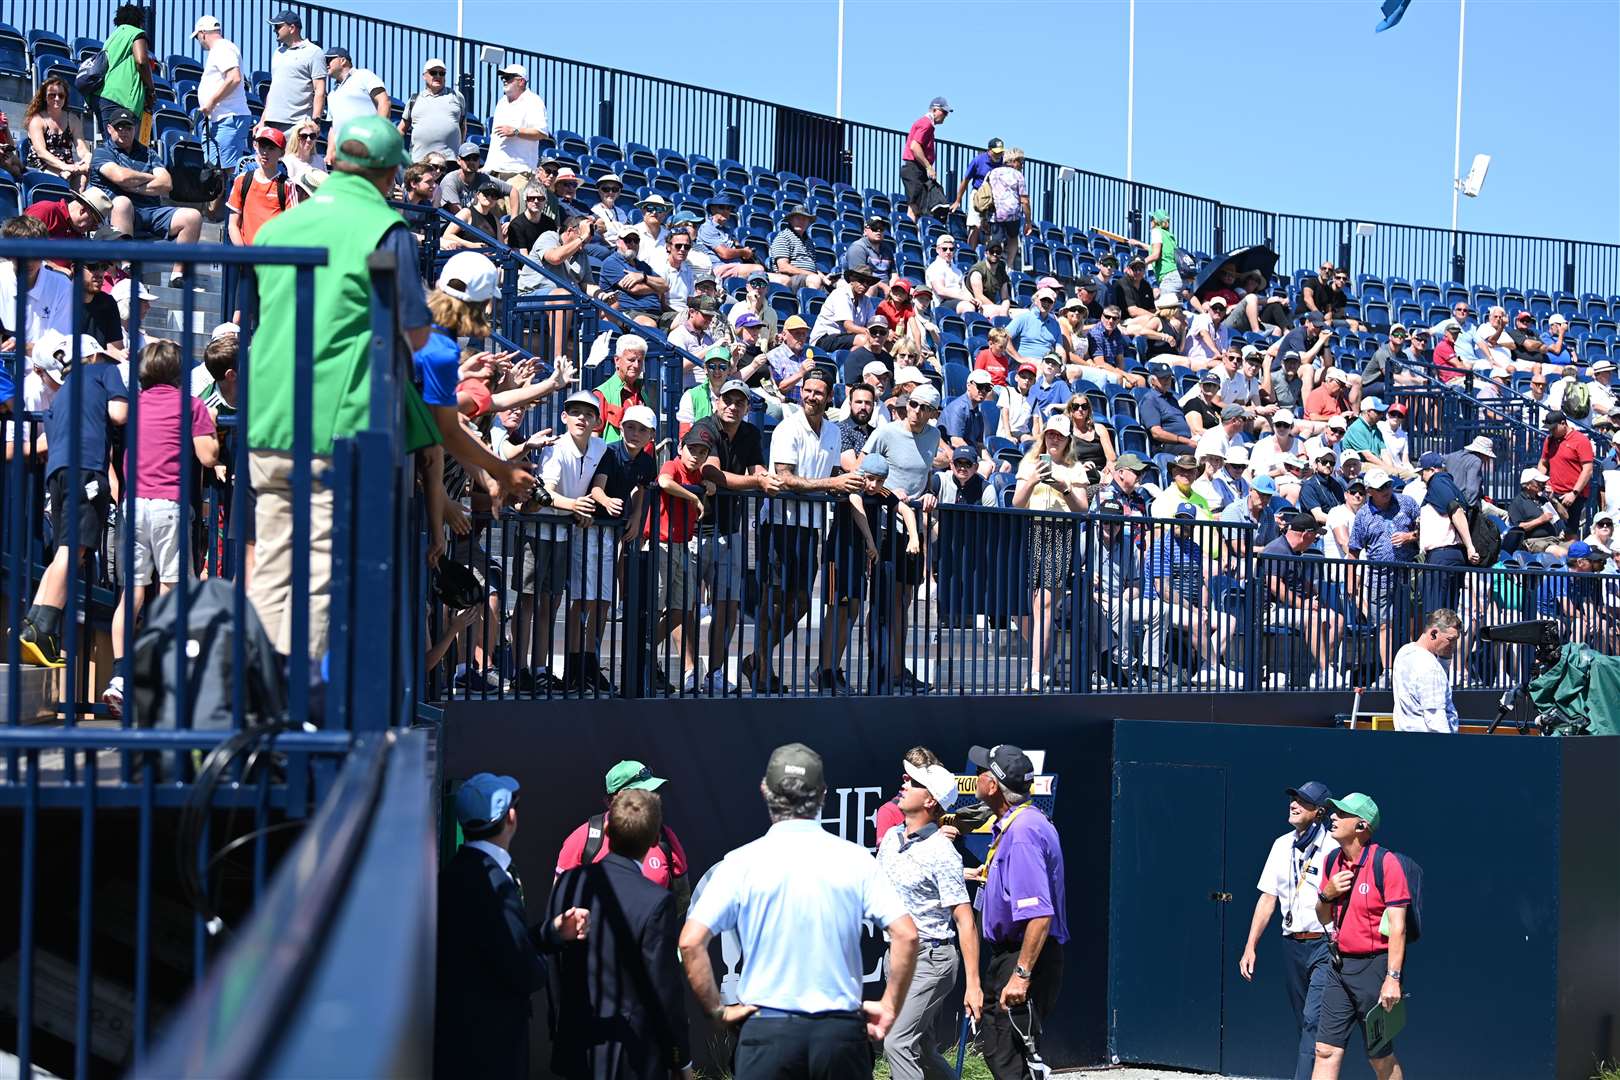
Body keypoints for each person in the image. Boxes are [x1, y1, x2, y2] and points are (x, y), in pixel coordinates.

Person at [246, 115, 454, 661]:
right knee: (318, 573)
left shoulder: (277, 227)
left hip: (268, 418)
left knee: (271, 566)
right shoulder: (386, 232)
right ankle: (293, 713)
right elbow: (415, 331)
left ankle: (262, 702)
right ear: (389, 174)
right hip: (332, 428)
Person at [680, 743, 919, 1075]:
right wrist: (890, 1006)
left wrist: (718, 1012)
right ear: (822, 795)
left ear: (765, 791)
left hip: (767, 1032)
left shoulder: (740, 863)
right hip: (838, 1035)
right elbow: (906, 934)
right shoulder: (855, 860)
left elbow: (691, 942)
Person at [434, 773, 589, 1080]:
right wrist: (545, 962)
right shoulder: (493, 883)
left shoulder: (455, 872)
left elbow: (495, 942)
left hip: (463, 1036)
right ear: (511, 818)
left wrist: (550, 932)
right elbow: (523, 969)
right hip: (492, 1044)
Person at [102, 340, 220, 716]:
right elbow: (207, 455)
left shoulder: (133, 407)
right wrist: (212, 428)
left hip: (132, 504)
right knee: (172, 591)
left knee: (131, 595)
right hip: (170, 503)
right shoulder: (192, 405)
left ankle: (121, 676)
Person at [546, 788, 690, 1079]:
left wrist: (560, 1032)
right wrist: (680, 1059)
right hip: (633, 1057)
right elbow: (665, 992)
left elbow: (553, 964)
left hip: (576, 1047)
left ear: (608, 831)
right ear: (653, 840)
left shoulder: (568, 884)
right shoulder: (656, 903)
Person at [17, 326, 127, 666]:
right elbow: (120, 414)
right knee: (75, 550)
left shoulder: (63, 392)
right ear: (93, 356)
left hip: (58, 473)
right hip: (86, 470)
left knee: (64, 551)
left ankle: (33, 624)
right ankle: (44, 626)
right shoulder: (104, 372)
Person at [746, 369, 855, 692]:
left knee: (802, 603)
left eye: (818, 392)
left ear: (829, 396)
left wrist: (848, 484)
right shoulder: (786, 427)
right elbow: (785, 478)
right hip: (779, 523)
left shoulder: (833, 432)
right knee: (774, 598)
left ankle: (757, 659)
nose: (811, 396)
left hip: (811, 526)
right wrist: (832, 484)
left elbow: (834, 474)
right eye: (807, 390)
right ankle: (763, 669)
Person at [876, 755, 983, 1080]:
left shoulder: (942, 852)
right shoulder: (892, 839)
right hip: (895, 957)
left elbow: (965, 921)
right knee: (919, 1047)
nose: (904, 784)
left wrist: (973, 985)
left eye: (914, 782)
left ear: (930, 800)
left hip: (931, 961)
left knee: (897, 1043)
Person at [966, 744, 1066, 1079]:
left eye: (981, 772)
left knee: (1006, 1055)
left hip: (1023, 957)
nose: (975, 777)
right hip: (1015, 955)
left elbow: (1040, 913)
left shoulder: (1022, 833)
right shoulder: (1022, 823)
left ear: (992, 786)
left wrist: (1021, 975)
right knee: (1005, 1053)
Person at [1238, 780, 1340, 1080]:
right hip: (1292, 944)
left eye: (1303, 802)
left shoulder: (1333, 848)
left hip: (1324, 943)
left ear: (1319, 812)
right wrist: (1250, 946)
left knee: (1313, 1019)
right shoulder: (1281, 844)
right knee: (1304, 1022)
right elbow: (1268, 897)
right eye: (1294, 799)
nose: (1294, 805)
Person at [1312, 793, 1409, 1080]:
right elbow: (1324, 917)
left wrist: (1392, 978)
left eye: (1342, 814)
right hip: (1339, 968)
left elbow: (1399, 928)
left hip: (1374, 970)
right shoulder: (1331, 862)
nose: (1333, 817)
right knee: (1324, 1050)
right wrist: (1326, 894)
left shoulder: (1386, 863)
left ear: (1361, 825)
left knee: (1380, 1057)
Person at [691, 380, 777, 695]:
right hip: (694, 528)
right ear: (718, 402)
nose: (733, 406)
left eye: (739, 402)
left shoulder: (751, 433)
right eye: (728, 400)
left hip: (731, 529)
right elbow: (711, 473)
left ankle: (713, 672)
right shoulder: (705, 427)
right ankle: (687, 670)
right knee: (682, 606)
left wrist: (765, 477)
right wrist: (757, 481)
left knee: (728, 607)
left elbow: (758, 467)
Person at [1013, 416, 1089, 692]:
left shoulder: (1075, 469)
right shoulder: (1030, 463)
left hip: (1060, 533)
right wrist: (1033, 481)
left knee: (1043, 605)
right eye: (1050, 434)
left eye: (1060, 435)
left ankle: (1035, 671)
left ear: (1068, 439)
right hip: (1030, 532)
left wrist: (1063, 487)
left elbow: (1082, 509)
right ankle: (1046, 656)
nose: (1054, 439)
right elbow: (1017, 504)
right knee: (1022, 608)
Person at [90, 107, 204, 288]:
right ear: (110, 129)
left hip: (151, 211)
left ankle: (177, 275)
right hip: (119, 216)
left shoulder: (148, 153)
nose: (124, 132)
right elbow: (120, 177)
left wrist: (131, 185)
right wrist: (149, 179)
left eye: (128, 127)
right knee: (122, 202)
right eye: (119, 127)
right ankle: (126, 268)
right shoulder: (102, 152)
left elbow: (167, 183)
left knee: (193, 216)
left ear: (134, 129)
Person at [1261, 514, 1341, 687]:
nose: (1315, 541)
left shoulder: (1294, 551)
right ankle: (1326, 670)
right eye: (1315, 536)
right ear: (1306, 534)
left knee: (1338, 620)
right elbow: (1274, 585)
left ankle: (1319, 672)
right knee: (1311, 618)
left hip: (1292, 608)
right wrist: (1303, 604)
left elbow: (1296, 580)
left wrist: (1313, 593)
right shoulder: (1277, 549)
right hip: (1270, 610)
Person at [0, 215, 77, 352]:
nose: (29, 261)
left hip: (45, 370)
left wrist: (24, 348)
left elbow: (61, 347)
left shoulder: (63, 286)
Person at [192, 16, 252, 171]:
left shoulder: (222, 48)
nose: (199, 41)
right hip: (221, 118)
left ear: (203, 33)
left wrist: (211, 101)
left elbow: (234, 77)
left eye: (198, 37)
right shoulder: (222, 49)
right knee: (217, 172)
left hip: (228, 118)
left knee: (228, 171)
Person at [1391, 608, 1462, 733]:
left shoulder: (1404, 652)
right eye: (1450, 640)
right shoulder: (1430, 667)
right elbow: (1436, 720)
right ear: (1433, 633)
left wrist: (1445, 658)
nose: (1454, 646)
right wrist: (1451, 749)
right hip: (1431, 745)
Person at [226, 127, 298, 247]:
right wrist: (243, 254)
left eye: (271, 148)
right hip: (246, 257)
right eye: (262, 146)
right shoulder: (242, 180)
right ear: (256, 146)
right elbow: (233, 224)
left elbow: (292, 227)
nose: (265, 152)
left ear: (281, 153)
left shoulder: (287, 186)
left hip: (273, 258)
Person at [487, 63, 549, 197]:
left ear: (521, 81)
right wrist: (487, 167)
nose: (504, 80)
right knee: (496, 217)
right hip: (496, 172)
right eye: (503, 77)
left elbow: (542, 133)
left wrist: (515, 131)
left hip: (518, 173)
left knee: (513, 216)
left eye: (509, 77)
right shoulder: (502, 102)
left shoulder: (533, 101)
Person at [263, 8, 326, 131]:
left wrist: (315, 121)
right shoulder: (278, 52)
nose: (274, 30)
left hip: (298, 125)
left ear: (292, 28)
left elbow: (320, 89)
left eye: (278, 27)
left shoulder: (314, 52)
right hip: (271, 123)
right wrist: (262, 120)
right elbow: (273, 89)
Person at [21, 76, 91, 182]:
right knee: (65, 177)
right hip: (42, 166)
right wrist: (64, 167)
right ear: (45, 97)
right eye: (52, 95)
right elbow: (41, 152)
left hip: (68, 168)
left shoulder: (73, 119)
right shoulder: (37, 120)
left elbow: (81, 148)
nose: (57, 98)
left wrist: (87, 157)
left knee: (83, 178)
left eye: (61, 95)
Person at [98, 4, 153, 137]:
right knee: (126, 150)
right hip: (123, 99)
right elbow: (141, 61)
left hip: (103, 97)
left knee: (111, 146)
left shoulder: (112, 38)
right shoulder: (136, 33)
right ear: (139, 22)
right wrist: (151, 89)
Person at [1537, 410, 1594, 539]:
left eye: (1553, 428)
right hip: (1553, 493)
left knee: (1571, 533)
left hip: (1573, 495)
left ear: (1563, 424)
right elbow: (1543, 462)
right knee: (1550, 530)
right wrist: (1541, 482)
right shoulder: (1550, 440)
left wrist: (1574, 493)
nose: (1551, 432)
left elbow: (1588, 469)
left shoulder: (1581, 440)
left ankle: (1571, 559)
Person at [399, 57, 465, 164]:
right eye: (433, 72)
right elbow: (402, 129)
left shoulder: (457, 96)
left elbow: (462, 126)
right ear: (424, 76)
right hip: (420, 161)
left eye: (442, 73)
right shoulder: (414, 99)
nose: (438, 76)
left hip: (450, 161)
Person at [900, 97, 951, 222]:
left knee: (919, 207)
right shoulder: (926, 123)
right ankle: (911, 236)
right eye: (943, 112)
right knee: (914, 208)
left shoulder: (927, 124)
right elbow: (914, 146)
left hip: (917, 169)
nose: (946, 115)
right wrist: (929, 167)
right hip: (914, 169)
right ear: (934, 110)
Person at [985, 148, 1031, 272]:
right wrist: (1028, 222)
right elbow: (1025, 201)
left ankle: (991, 264)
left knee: (994, 240)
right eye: (1021, 162)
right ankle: (1009, 265)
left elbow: (985, 193)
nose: (1022, 165)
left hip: (995, 213)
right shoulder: (1018, 176)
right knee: (1013, 238)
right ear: (1014, 161)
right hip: (1012, 214)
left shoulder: (992, 173)